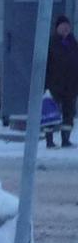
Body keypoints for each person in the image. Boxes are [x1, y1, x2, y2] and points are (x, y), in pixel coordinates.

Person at [45, 14, 78, 148]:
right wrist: (45, 84)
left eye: (67, 26)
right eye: (62, 26)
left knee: (68, 113)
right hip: (54, 84)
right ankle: (49, 140)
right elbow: (45, 65)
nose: (65, 29)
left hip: (71, 85)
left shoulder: (73, 43)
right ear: (57, 28)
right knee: (50, 113)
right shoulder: (52, 43)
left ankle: (65, 139)